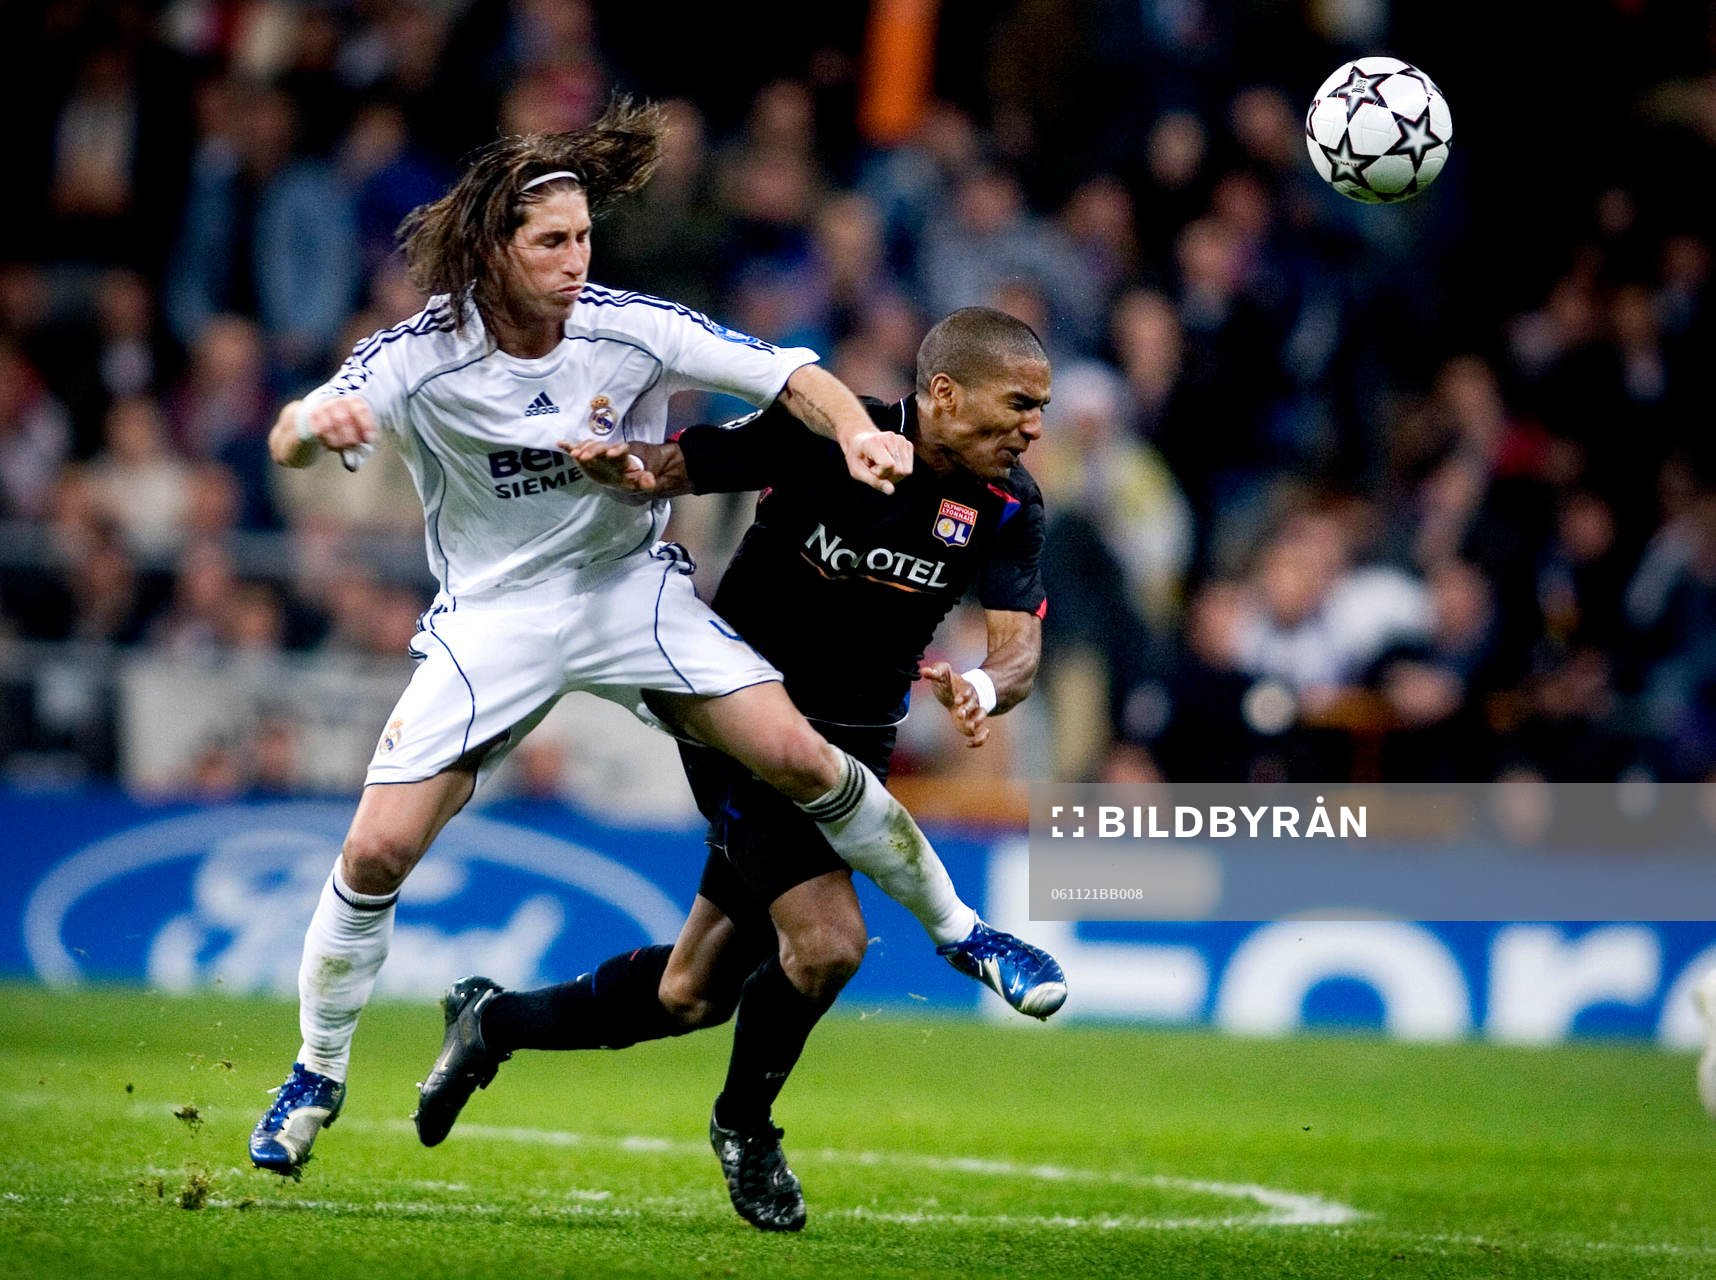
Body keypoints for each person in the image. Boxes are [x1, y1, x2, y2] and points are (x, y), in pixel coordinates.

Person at [249, 102, 1065, 1176]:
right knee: (376, 849)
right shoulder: (421, 356)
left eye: (586, 236)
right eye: (552, 241)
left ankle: (963, 931)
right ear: (493, 250)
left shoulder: (630, 326)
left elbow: (788, 369)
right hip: (496, 615)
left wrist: (860, 431)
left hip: (631, 592)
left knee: (771, 823)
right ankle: (315, 1072)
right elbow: (293, 428)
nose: (578, 260)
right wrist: (320, 427)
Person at [412, 307, 1059, 1231]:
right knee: (828, 944)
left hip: (856, 744)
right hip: (739, 714)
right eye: (1020, 404)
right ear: (945, 393)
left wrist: (986, 695)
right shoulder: (830, 432)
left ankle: (491, 1022)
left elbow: (1018, 654)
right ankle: (746, 1128)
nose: (1035, 426)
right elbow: (676, 467)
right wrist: (602, 467)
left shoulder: (1009, 506)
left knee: (693, 991)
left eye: (1042, 407)